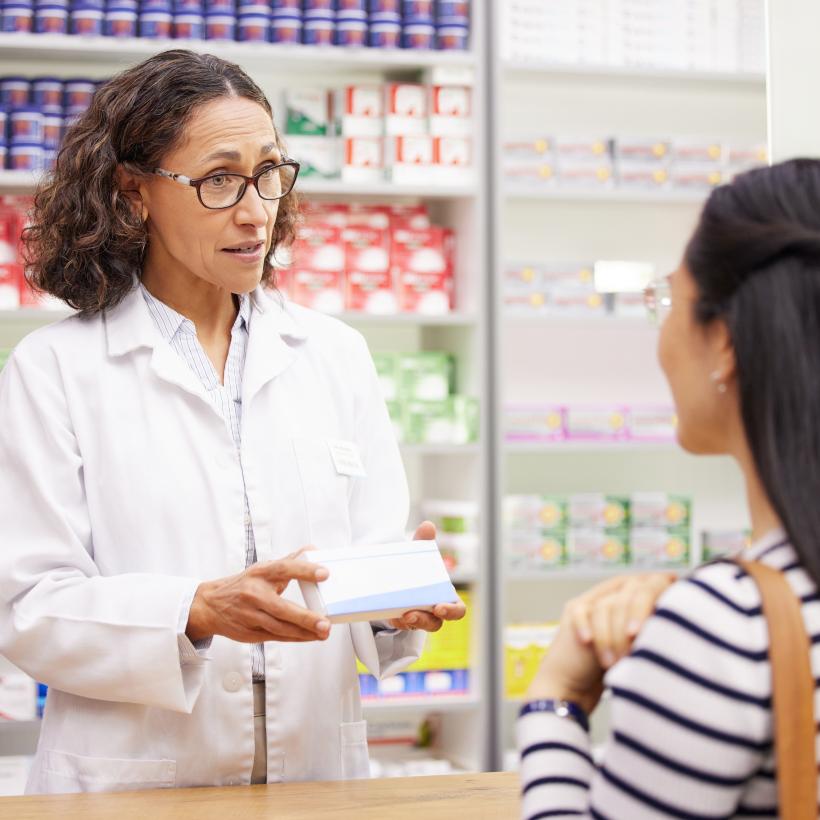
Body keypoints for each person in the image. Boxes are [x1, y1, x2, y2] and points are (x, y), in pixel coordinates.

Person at [0, 49, 465, 794]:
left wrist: (392, 606)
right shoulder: (55, 371)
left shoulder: (333, 354)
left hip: (313, 778)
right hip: (132, 786)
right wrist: (192, 610)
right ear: (134, 192)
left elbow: (365, 564)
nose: (256, 211)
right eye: (219, 180)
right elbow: (29, 607)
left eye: (270, 173)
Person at [518, 158, 820, 818]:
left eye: (666, 302)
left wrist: (556, 698)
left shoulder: (725, 630)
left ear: (726, 344)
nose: (660, 336)